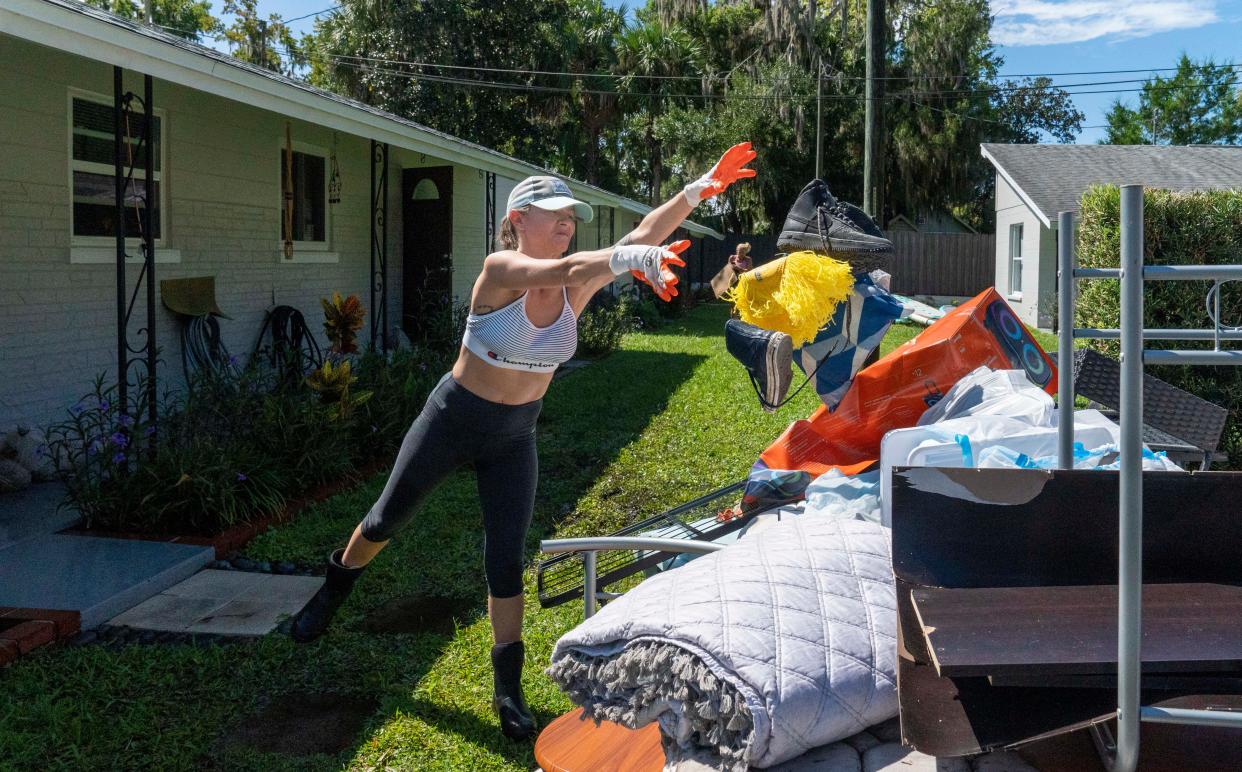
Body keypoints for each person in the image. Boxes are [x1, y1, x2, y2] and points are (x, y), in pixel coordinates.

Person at [288, 143, 757, 740]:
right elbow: (571, 266)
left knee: (506, 560)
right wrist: (632, 257)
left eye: (571, 217)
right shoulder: (500, 270)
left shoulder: (578, 281)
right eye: (554, 213)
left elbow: (636, 233)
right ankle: (332, 592)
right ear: (517, 222)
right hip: (453, 417)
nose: (566, 222)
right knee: (386, 519)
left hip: (515, 436)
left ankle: (507, 689)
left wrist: (697, 190)